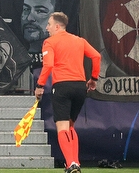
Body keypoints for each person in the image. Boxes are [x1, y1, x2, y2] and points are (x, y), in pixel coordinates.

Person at [35, 12, 101, 173]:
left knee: (62, 127)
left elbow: (48, 65)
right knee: (71, 126)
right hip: (80, 87)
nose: (47, 27)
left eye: (49, 24)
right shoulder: (79, 40)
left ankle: (71, 163)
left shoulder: (49, 42)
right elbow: (97, 56)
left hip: (62, 87)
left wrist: (40, 85)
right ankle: (75, 163)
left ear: (57, 26)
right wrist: (93, 78)